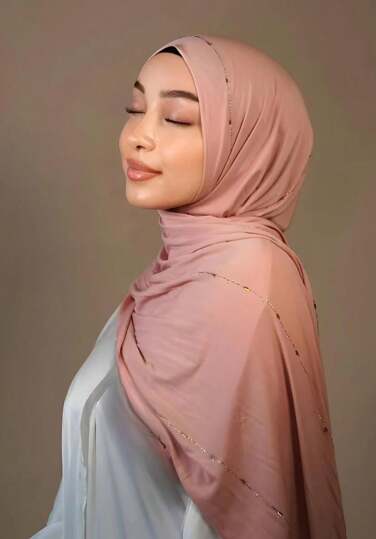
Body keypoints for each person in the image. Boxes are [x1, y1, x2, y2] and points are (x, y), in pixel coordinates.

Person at [30, 34, 348, 539]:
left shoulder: (247, 279)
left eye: (176, 119)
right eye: (135, 110)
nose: (137, 137)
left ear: (250, 146)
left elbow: (235, 517)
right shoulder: (167, 279)